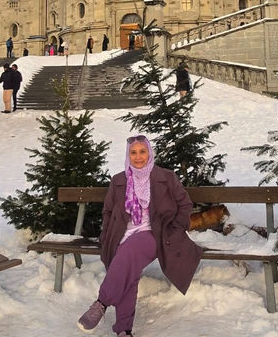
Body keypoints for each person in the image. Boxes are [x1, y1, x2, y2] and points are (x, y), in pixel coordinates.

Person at [77, 135, 201, 336]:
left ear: (149, 153)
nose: (138, 157)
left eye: (142, 151)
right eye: (133, 152)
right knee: (129, 272)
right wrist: (106, 234)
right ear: (128, 155)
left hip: (154, 234)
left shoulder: (166, 177)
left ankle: (101, 303)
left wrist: (176, 229)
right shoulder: (119, 180)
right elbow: (108, 211)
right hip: (122, 234)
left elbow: (185, 205)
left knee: (130, 252)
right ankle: (124, 331)